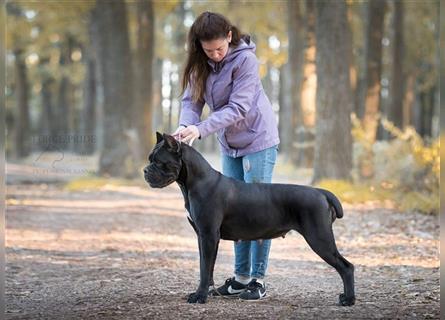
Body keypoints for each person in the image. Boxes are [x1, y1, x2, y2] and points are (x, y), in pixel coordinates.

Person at [173, 11, 280, 301]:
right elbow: (191, 101)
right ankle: (240, 277)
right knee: (233, 212)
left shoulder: (246, 60)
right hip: (229, 144)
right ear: (199, 46)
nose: (216, 55)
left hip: (258, 139)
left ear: (230, 37)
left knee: (260, 209)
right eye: (209, 50)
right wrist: (185, 125)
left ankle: (258, 278)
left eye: (220, 48)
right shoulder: (199, 64)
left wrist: (200, 129)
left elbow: (239, 108)